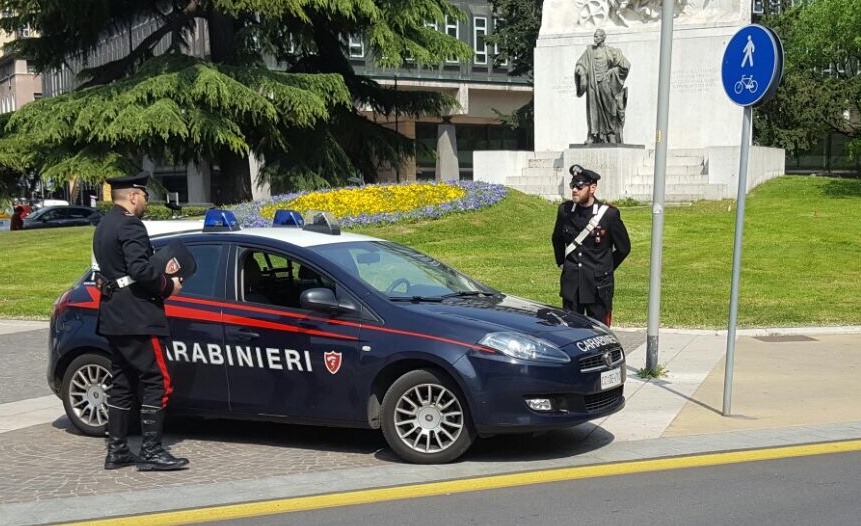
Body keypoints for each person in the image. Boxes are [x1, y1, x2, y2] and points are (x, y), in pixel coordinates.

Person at [92, 172, 189, 471]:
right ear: (133, 196)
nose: (146, 202)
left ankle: (117, 450)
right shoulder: (131, 225)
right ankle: (151, 451)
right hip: (138, 316)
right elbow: (141, 269)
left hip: (113, 315)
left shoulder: (104, 225)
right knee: (157, 380)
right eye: (145, 196)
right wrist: (168, 286)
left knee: (122, 382)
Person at [551, 164, 631, 326]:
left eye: (579, 187)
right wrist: (561, 262)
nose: (575, 190)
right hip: (572, 283)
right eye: (573, 186)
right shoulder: (565, 211)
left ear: (592, 188)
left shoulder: (608, 214)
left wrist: (605, 269)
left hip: (598, 286)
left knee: (599, 331)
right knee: (571, 331)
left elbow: (624, 248)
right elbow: (557, 238)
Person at [575, 29, 631, 144]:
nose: (595, 38)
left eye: (597, 36)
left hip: (605, 83)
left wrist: (613, 72)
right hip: (593, 85)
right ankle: (593, 134)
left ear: (603, 38)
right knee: (593, 110)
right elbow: (580, 63)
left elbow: (626, 65)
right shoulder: (589, 51)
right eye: (594, 36)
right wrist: (580, 70)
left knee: (610, 109)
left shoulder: (611, 51)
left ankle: (611, 134)